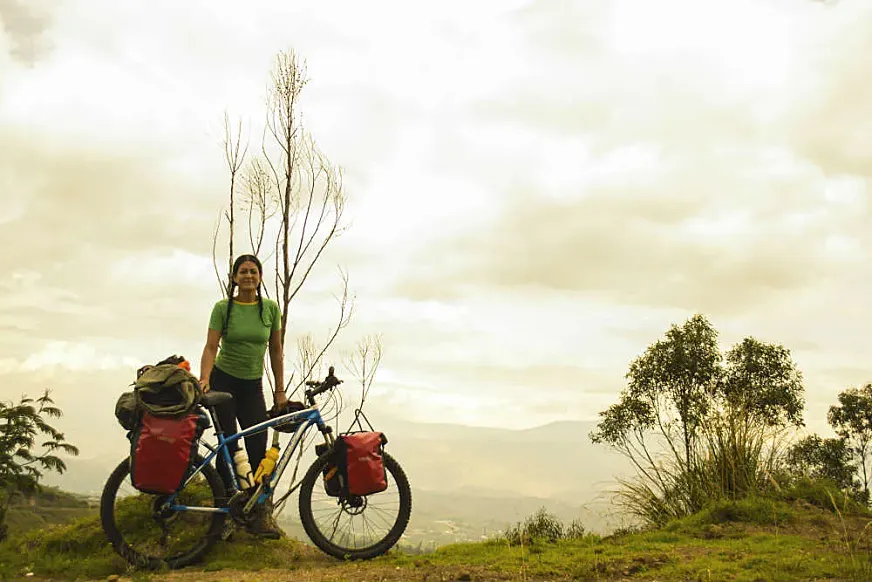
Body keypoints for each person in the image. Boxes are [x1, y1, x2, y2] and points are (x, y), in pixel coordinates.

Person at [199, 254, 287, 539]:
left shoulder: (271, 309)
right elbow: (211, 346)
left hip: (252, 386)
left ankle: (258, 514)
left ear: (260, 277)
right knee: (229, 447)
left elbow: (275, 350)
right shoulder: (223, 308)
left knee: (258, 448)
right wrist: (204, 378)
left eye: (253, 271)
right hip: (223, 383)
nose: (248, 276)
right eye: (243, 271)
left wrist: (280, 390)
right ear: (234, 278)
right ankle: (224, 514)